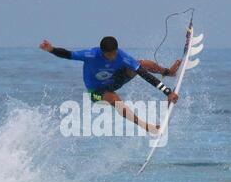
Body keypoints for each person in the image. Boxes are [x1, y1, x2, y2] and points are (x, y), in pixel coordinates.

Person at [39, 36, 180, 134]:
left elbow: (144, 74)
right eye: (109, 55)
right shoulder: (90, 54)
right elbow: (68, 54)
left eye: (114, 54)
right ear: (102, 52)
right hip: (96, 91)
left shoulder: (121, 55)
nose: (113, 57)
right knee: (113, 99)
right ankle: (147, 127)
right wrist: (51, 49)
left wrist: (167, 92)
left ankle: (168, 72)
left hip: (114, 81)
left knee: (141, 64)